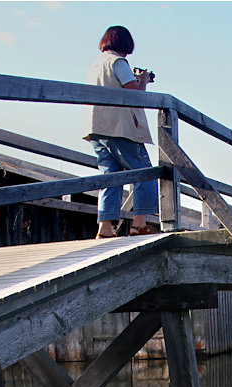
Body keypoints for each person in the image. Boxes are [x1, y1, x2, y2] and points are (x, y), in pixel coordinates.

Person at [84, 25, 159, 238]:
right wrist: (143, 80)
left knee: (110, 177)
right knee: (144, 172)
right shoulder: (118, 62)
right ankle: (138, 224)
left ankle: (105, 228)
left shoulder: (95, 65)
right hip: (119, 128)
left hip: (96, 128)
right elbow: (136, 96)